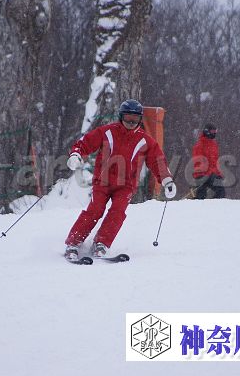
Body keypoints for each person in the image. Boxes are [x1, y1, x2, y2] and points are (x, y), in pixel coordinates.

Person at [64, 99, 176, 260]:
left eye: (135, 119)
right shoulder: (107, 132)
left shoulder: (144, 140)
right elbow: (85, 143)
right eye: (128, 118)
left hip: (126, 186)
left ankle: (101, 243)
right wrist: (76, 154)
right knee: (95, 210)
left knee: (117, 212)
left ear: (140, 119)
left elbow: (157, 160)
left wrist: (167, 180)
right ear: (121, 116)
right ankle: (73, 243)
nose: (131, 122)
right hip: (103, 182)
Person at [191, 123, 225, 199]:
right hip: (201, 174)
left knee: (221, 191)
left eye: (215, 131)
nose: (214, 133)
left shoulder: (214, 145)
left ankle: (214, 205)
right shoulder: (199, 145)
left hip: (212, 173)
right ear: (207, 131)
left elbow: (215, 161)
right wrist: (206, 172)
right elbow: (197, 161)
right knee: (201, 195)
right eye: (213, 132)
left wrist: (218, 173)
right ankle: (196, 204)